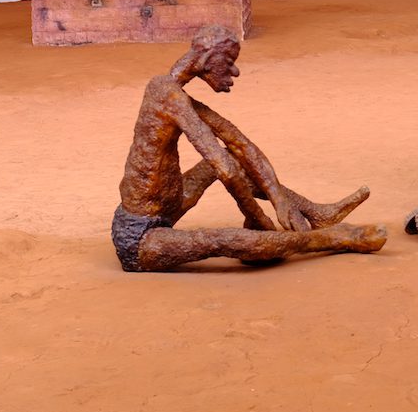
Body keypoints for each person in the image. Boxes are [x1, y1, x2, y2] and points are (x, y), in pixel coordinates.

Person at [112, 26, 386, 270]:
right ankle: (333, 237)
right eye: (229, 62)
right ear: (207, 60)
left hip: (166, 208)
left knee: (231, 157)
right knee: (225, 240)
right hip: (140, 237)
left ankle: (317, 214)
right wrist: (258, 219)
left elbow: (239, 143)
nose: (235, 72)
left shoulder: (173, 94)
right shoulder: (166, 94)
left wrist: (280, 201)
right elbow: (225, 168)